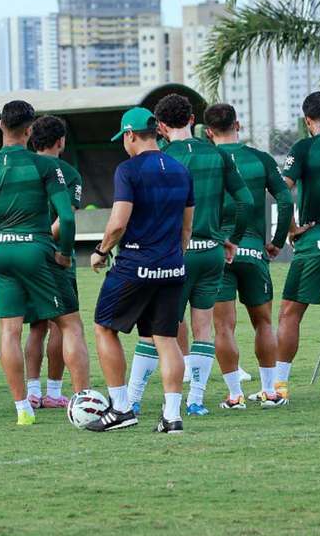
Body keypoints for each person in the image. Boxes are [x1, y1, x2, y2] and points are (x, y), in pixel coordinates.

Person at [0, 102, 86, 425]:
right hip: (37, 248)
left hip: (3, 250)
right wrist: (65, 253)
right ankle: (84, 401)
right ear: (30, 130)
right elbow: (67, 219)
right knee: (70, 324)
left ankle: (23, 410)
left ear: (1, 125)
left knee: (10, 330)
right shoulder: (44, 167)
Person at [126, 94, 251, 417]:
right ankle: (195, 400)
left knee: (156, 329)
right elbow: (246, 201)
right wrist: (230, 238)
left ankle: (132, 399)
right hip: (210, 252)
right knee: (204, 328)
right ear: (193, 120)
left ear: (162, 127)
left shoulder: (163, 157)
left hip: (174, 253)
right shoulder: (218, 155)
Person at [88, 107, 193, 433]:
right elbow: (186, 229)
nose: (124, 144)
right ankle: (172, 416)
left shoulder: (128, 171)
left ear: (131, 135)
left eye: (124, 139)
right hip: (173, 266)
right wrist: (172, 257)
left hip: (135, 265)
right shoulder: (180, 169)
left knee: (104, 327)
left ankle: (121, 408)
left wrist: (100, 250)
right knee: (166, 339)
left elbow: (118, 222)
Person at [202, 103, 292, 408]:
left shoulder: (206, 160)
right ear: (237, 125)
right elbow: (284, 197)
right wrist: (277, 241)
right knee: (263, 323)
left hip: (218, 249)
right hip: (254, 249)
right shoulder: (260, 159)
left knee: (223, 326)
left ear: (208, 132)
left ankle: (234, 395)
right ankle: (269, 392)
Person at [275, 91, 320, 400]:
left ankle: (278, 386)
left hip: (315, 241)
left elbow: (282, 190)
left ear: (307, 120)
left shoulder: (303, 147)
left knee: (290, 313)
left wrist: (291, 229)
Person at [25, 115, 84, 410]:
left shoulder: (21, 166)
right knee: (62, 324)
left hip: (24, 252)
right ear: (61, 141)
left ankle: (32, 391)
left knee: (36, 326)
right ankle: (54, 391)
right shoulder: (69, 172)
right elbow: (66, 217)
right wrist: (47, 239)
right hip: (54, 254)